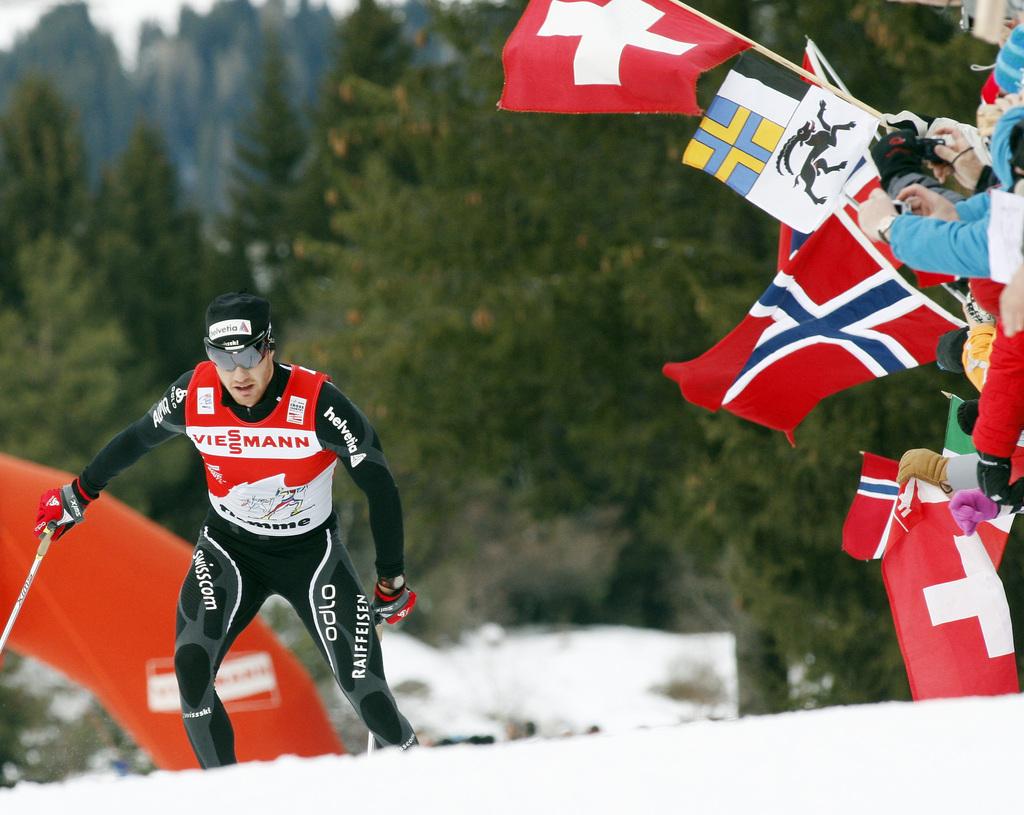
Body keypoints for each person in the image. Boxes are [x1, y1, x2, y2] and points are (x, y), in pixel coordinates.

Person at [33, 292, 418, 767]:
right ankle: (225, 796)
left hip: (310, 556)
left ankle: (420, 780)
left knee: (368, 695)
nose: (238, 373)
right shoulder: (193, 394)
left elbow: (379, 483)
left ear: (269, 348)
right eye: (222, 358)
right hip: (230, 549)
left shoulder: (318, 403)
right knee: (191, 668)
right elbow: (137, 438)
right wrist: (78, 494)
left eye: (249, 355)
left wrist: (391, 579)